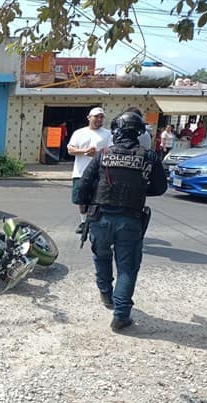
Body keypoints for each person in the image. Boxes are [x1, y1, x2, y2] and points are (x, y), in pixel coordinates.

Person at [76, 111, 167, 331]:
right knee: (127, 268)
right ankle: (120, 316)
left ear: (116, 131)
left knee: (102, 258)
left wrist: (87, 206)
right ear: (138, 132)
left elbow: (82, 189)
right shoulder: (149, 156)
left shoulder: (103, 154)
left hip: (100, 218)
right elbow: (160, 187)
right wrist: (139, 189)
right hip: (130, 220)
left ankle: (107, 296)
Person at [67, 107, 111, 234]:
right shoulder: (79, 133)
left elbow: (111, 151)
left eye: (101, 117)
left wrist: (97, 155)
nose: (99, 119)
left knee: (98, 199)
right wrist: (85, 151)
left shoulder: (108, 134)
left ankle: (95, 222)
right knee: (81, 199)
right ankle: (83, 222)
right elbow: (70, 149)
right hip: (80, 172)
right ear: (89, 117)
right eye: (96, 116)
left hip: (99, 174)